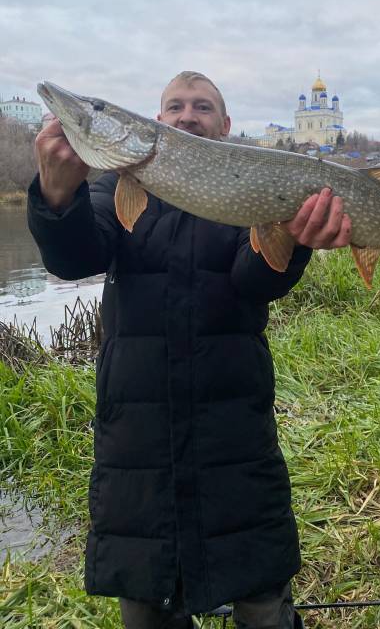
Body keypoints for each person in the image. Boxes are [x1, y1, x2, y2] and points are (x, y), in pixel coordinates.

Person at [28, 71, 352, 629]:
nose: (187, 115)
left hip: (232, 426)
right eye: (174, 106)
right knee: (145, 597)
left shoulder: (247, 186)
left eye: (202, 107)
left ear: (224, 126)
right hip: (138, 435)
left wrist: (295, 241)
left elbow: (255, 282)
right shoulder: (113, 187)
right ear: (156, 123)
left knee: (261, 596)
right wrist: (58, 197)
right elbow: (74, 257)